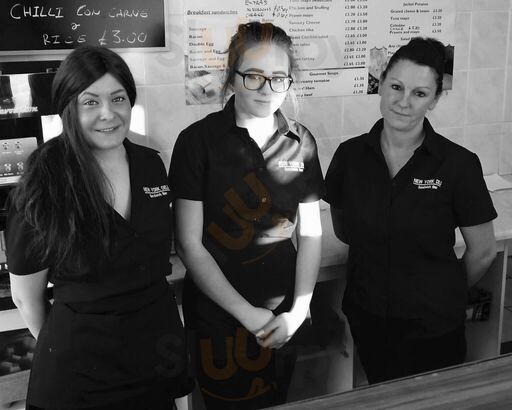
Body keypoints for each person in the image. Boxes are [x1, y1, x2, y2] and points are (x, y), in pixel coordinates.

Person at [6, 45, 191, 410]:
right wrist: (72, 349)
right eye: (90, 102)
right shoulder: (43, 182)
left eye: (118, 98)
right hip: (79, 372)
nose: (108, 113)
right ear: (68, 108)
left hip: (155, 355)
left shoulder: (151, 165)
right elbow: (26, 297)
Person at [325, 37, 498, 384]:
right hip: (368, 318)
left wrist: (443, 293)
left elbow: (483, 251)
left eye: (419, 93)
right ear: (380, 84)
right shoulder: (350, 156)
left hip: (434, 328)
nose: (403, 102)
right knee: (381, 396)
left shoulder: (458, 164)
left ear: (434, 100)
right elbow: (344, 229)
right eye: (396, 87)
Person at [170, 22, 324, 409]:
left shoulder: (301, 141)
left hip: (284, 316)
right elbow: (189, 245)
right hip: (218, 318)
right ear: (232, 76)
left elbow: (310, 235)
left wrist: (297, 312)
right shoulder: (197, 142)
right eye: (253, 76)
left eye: (278, 78)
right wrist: (247, 314)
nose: (266, 89)